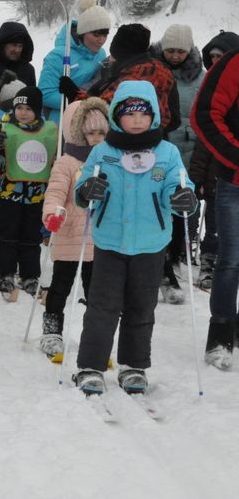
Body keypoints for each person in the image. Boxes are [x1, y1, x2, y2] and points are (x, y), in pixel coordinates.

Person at [73, 80, 196, 394]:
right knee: (103, 306)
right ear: (117, 115)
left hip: (150, 244)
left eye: (144, 112)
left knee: (142, 307)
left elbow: (179, 184)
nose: (137, 119)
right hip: (110, 242)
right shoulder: (103, 151)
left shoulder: (166, 153)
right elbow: (84, 187)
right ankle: (90, 365)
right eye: (130, 113)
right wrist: (87, 192)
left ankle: (133, 366)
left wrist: (183, 197)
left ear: (153, 115)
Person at [39, 98, 108, 357]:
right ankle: (51, 331)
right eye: (91, 133)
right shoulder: (67, 162)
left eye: (102, 132)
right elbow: (55, 193)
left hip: (99, 240)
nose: (97, 138)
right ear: (79, 132)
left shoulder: (110, 161)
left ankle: (94, 335)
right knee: (60, 287)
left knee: (96, 292)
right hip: (70, 235)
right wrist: (52, 214)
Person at [0, 86, 57, 300]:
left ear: (38, 110)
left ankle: (30, 275)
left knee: (31, 237)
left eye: (28, 109)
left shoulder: (48, 131)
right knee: (7, 234)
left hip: (36, 195)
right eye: (19, 108)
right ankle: (5, 272)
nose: (23, 112)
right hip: (9, 193)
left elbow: (54, 160)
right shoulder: (5, 128)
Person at [190, 44, 239, 370]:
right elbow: (205, 113)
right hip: (235, 183)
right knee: (231, 260)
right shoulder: (234, 63)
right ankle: (221, 335)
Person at [150, 24, 206, 304]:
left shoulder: (199, 76)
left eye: (180, 51)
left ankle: (174, 257)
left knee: (182, 207)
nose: (174, 55)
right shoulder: (152, 68)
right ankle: (159, 265)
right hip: (158, 145)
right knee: (157, 207)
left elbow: (203, 109)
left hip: (188, 148)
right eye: (169, 50)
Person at [188, 31, 239, 291]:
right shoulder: (217, 78)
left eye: (222, 56)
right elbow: (205, 134)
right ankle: (222, 325)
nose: (216, 61)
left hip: (223, 169)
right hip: (226, 174)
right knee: (226, 248)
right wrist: (196, 177)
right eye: (213, 57)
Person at [63, 23, 181, 135]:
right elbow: (174, 119)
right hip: (154, 140)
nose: (110, 59)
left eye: (114, 54)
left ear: (124, 55)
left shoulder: (137, 76)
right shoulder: (160, 69)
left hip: (132, 144)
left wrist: (74, 94)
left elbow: (103, 111)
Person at [38, 0, 110, 123]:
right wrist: (78, 102)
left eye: (105, 35)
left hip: (91, 121)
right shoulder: (58, 55)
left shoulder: (101, 54)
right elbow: (45, 94)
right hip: (61, 121)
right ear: (82, 33)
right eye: (96, 35)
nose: (101, 40)